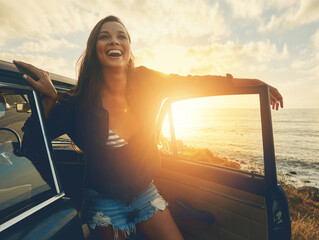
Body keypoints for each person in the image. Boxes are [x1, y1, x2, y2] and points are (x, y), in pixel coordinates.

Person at [13, 15, 283, 240]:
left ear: (129, 46)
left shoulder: (147, 80)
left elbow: (196, 81)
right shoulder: (77, 104)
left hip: (145, 193)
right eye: (104, 36)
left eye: (122, 36)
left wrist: (255, 84)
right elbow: (32, 143)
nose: (114, 41)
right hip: (103, 202)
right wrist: (48, 101)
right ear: (94, 47)